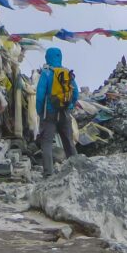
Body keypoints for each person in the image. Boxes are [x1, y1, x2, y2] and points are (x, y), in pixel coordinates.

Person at [35, 47, 79, 177]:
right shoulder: (66, 73)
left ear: (47, 57)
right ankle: (76, 169)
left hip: (49, 113)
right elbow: (75, 92)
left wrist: (39, 112)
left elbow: (40, 96)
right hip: (64, 111)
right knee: (68, 142)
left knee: (47, 143)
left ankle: (48, 173)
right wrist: (70, 105)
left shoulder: (46, 73)